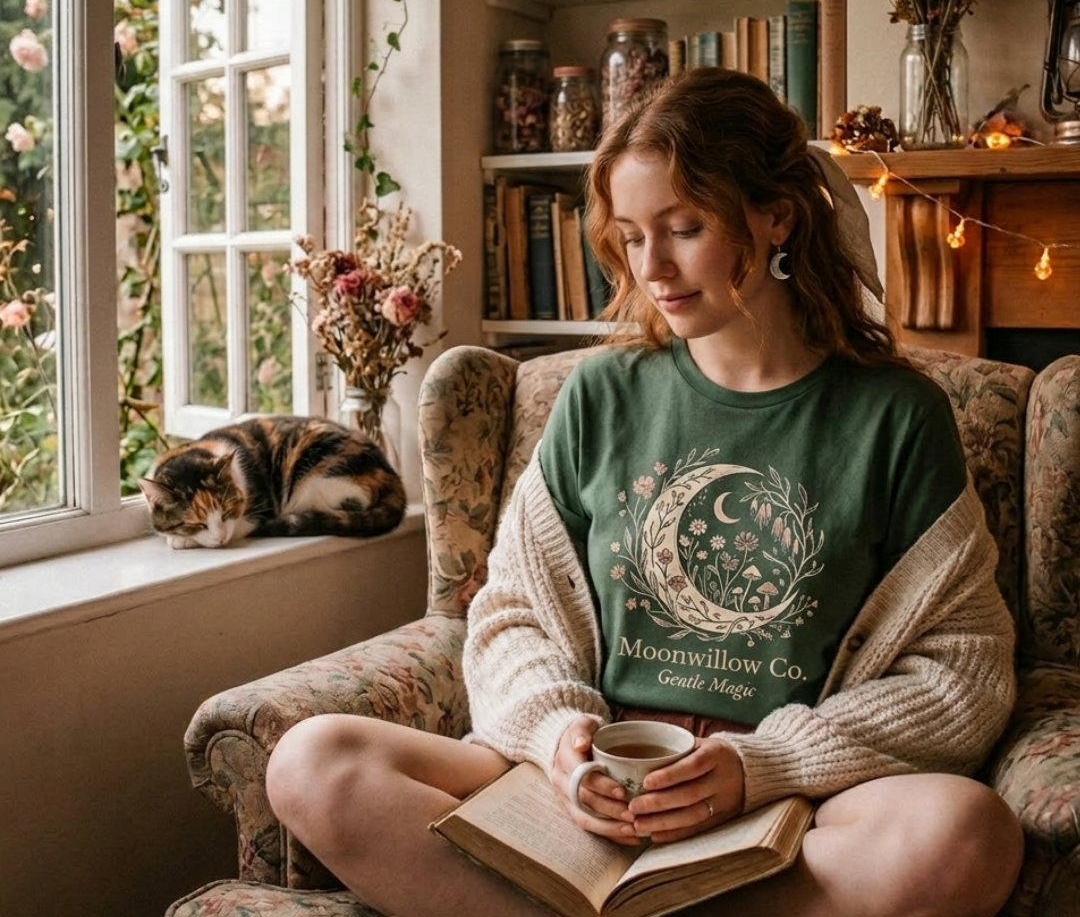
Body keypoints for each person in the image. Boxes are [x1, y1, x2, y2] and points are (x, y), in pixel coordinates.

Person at [266, 67, 1024, 917]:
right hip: (583, 793)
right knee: (313, 761)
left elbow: (963, 667)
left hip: (785, 806)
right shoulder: (599, 395)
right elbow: (512, 612)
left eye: (684, 228)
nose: (652, 266)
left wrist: (764, 765)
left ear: (777, 215)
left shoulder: (897, 414)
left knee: (967, 830)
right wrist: (560, 740)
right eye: (630, 236)